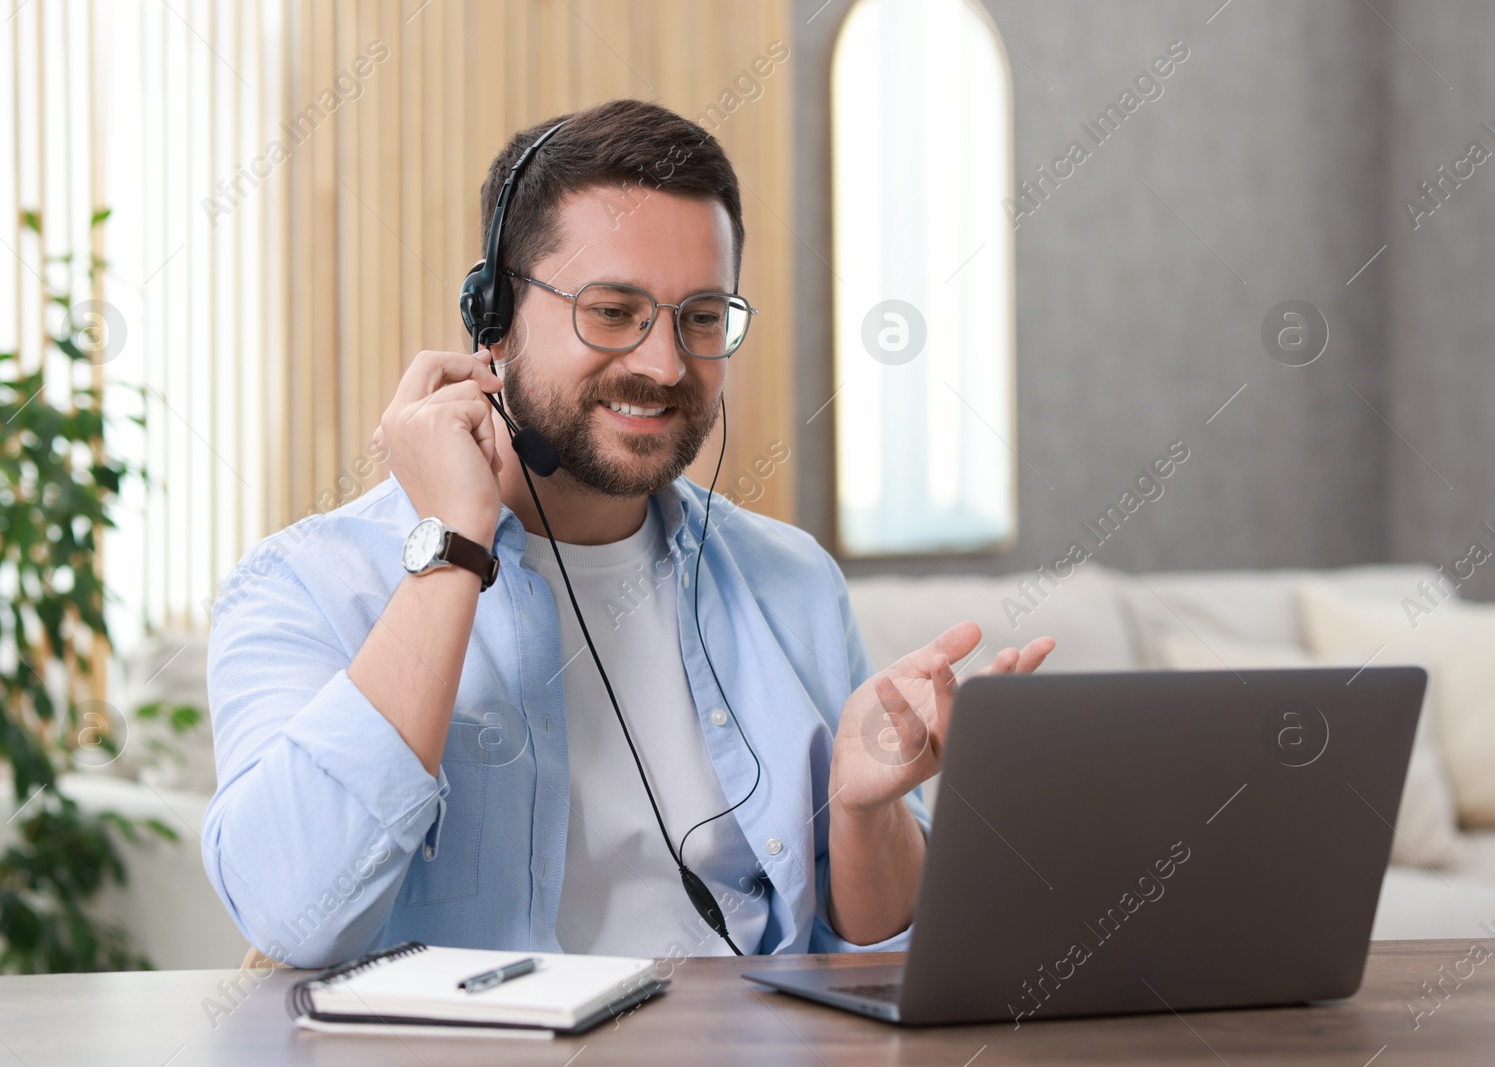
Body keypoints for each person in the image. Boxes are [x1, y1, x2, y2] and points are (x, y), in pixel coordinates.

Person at [202, 98, 1054, 968]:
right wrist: (455, 542)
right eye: (613, 311)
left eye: (703, 316)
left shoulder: (791, 579)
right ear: (492, 320)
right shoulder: (305, 584)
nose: (664, 365)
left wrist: (863, 810)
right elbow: (292, 914)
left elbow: (868, 961)